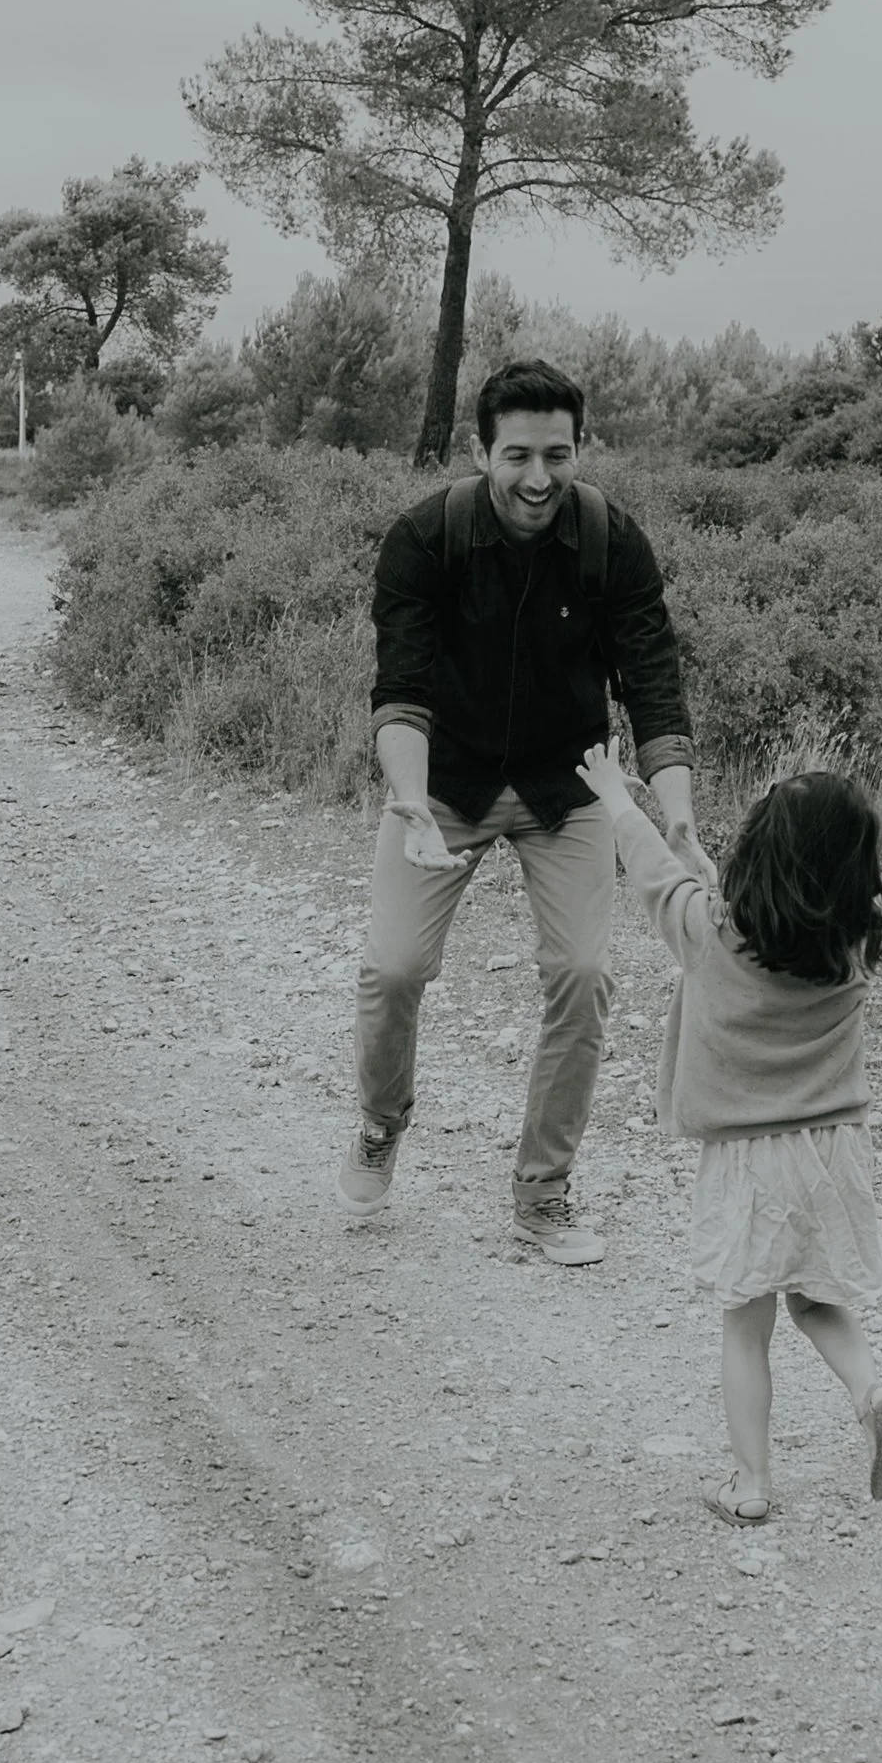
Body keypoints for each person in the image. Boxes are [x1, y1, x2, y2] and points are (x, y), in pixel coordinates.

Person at [340, 355, 705, 1266]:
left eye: (557, 454)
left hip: (567, 785)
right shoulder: (425, 538)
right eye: (517, 457)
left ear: (580, 448)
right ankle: (382, 1125)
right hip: (443, 784)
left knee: (583, 975)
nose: (538, 478)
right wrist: (413, 805)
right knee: (392, 970)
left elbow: (654, 689)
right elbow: (401, 692)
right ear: (481, 452)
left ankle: (542, 1194)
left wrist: (678, 816)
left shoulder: (613, 541)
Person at [577, 739, 882, 1523]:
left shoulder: (708, 933)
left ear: (759, 858)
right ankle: (875, 1392)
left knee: (746, 1323)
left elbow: (654, 876)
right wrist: (689, 850)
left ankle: (751, 1483)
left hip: (748, 1160)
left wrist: (616, 798)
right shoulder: (853, 940)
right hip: (834, 1153)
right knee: (816, 1302)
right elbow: (747, 894)